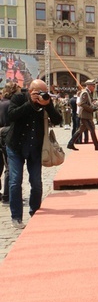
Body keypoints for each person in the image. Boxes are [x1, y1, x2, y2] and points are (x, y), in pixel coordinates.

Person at [5, 79, 62, 229]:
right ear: (31, 91)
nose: (42, 95)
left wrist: (48, 105)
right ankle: (16, 216)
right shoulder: (18, 98)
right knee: (15, 181)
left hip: (35, 148)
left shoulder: (45, 102)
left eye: (45, 92)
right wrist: (30, 103)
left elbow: (58, 120)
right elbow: (11, 115)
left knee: (36, 183)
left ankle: (35, 212)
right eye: (39, 92)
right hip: (15, 146)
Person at [67, 80, 98, 151]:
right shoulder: (85, 93)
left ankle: (70, 143)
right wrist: (91, 109)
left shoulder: (88, 93)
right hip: (85, 115)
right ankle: (97, 146)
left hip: (86, 114)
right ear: (89, 86)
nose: (94, 87)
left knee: (80, 130)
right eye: (93, 86)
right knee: (92, 129)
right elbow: (82, 104)